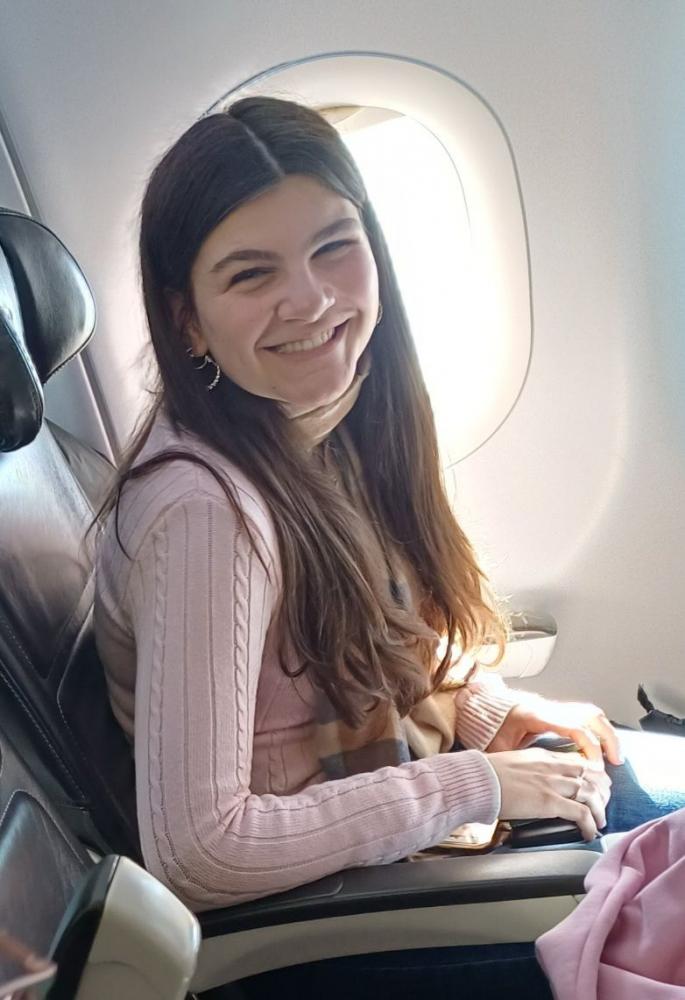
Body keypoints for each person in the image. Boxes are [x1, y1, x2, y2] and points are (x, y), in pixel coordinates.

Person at [93, 97, 684, 997]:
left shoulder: (313, 427)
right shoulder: (204, 512)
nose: (311, 299)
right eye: (251, 273)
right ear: (187, 321)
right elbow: (201, 851)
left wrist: (488, 715)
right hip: (330, 924)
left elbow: (354, 663)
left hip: (384, 834)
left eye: (334, 246)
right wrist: (479, 784)